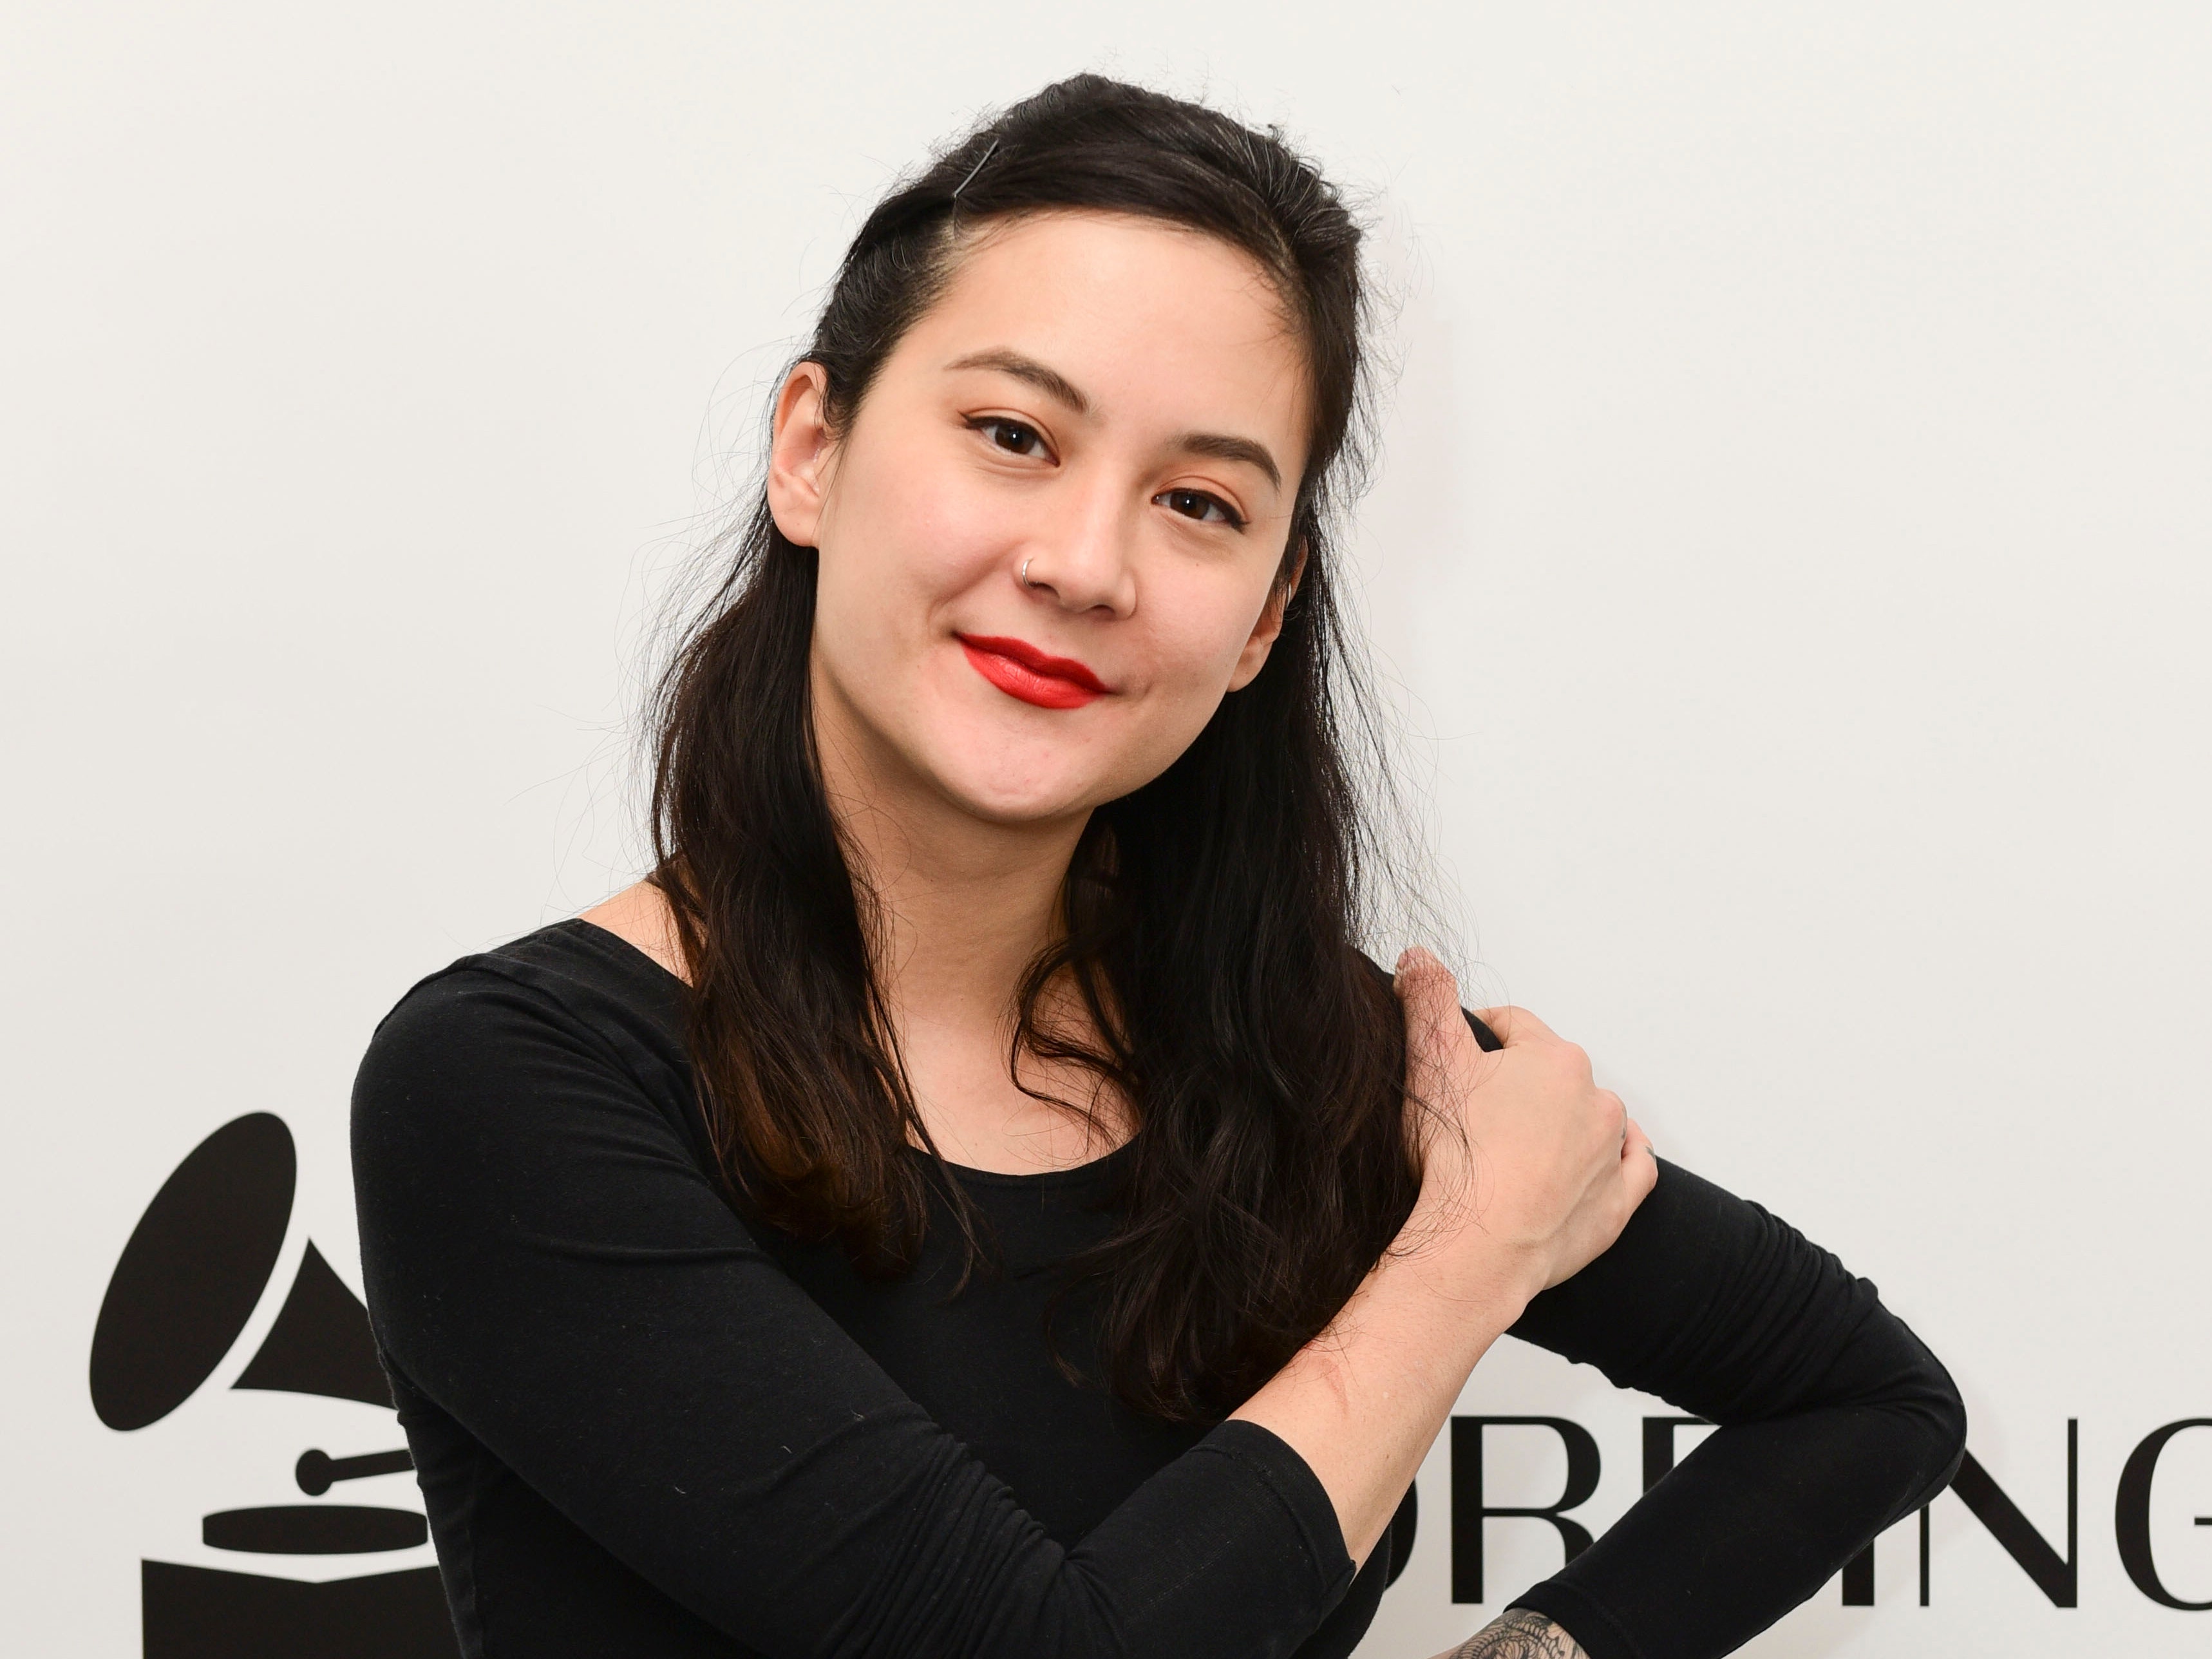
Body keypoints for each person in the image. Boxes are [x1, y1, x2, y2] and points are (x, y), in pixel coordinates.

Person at [351, 75, 1966, 1659]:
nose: (1083, 564)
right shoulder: (506, 1086)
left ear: (1265, 613)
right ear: (811, 450)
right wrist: (1464, 1258)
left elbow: (1865, 1401)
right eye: (1011, 433)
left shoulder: (1304, 1054)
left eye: (1198, 502)